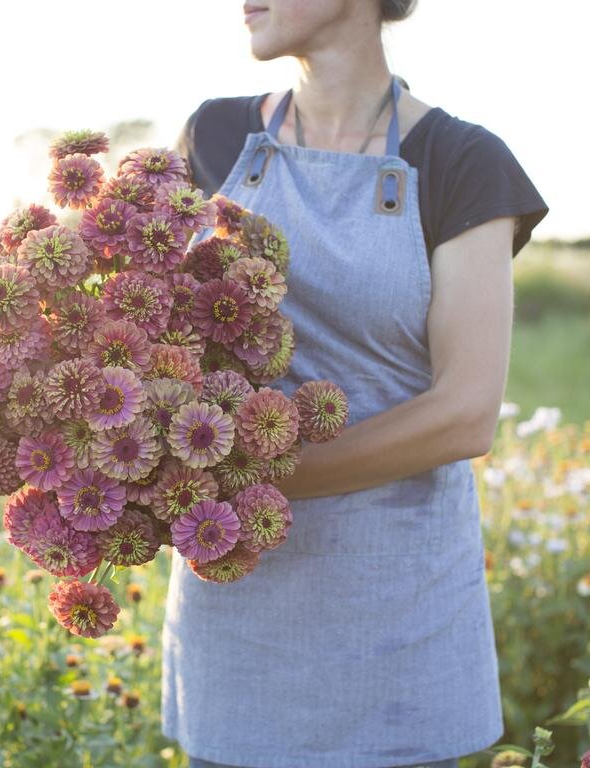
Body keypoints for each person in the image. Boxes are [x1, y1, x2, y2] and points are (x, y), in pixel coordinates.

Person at [161, 1, 550, 767]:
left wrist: (254, 481)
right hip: (235, 627)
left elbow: (465, 413)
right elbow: (154, 337)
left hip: (394, 633)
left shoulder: (463, 163)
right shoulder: (211, 138)